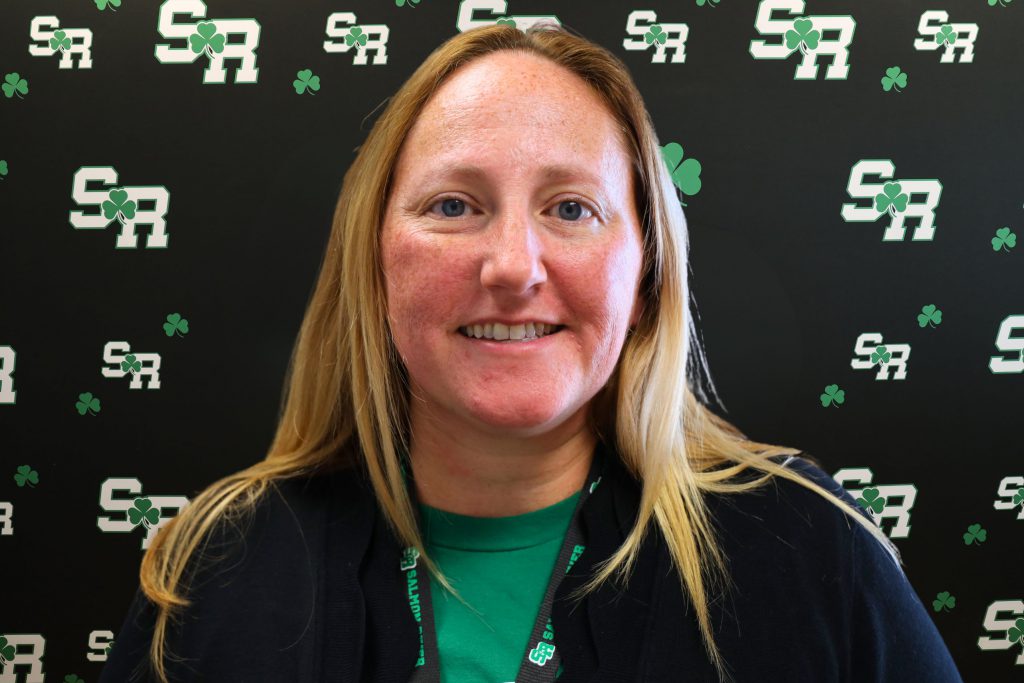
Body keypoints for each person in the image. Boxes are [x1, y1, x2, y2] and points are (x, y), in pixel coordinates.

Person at [99, 22, 964, 683]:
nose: (514, 266)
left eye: (571, 208)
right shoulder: (212, 570)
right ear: (374, 260)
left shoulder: (811, 551)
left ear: (647, 269)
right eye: (452, 206)